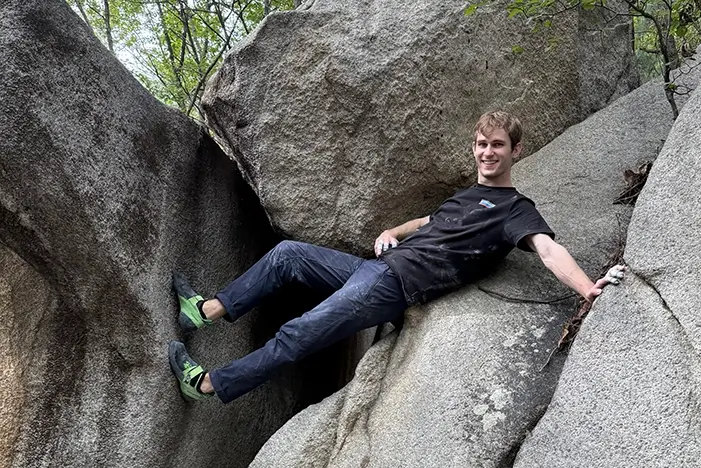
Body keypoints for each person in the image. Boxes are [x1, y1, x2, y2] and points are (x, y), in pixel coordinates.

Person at [169, 111, 625, 403]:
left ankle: (207, 385)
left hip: (393, 286)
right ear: (474, 148)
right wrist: (392, 230)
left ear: (515, 151)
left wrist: (587, 288)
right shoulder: (466, 196)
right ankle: (205, 311)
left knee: (298, 333)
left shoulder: (514, 209)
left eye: (498, 145)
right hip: (374, 269)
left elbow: (547, 248)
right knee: (288, 254)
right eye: (482, 144)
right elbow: (428, 222)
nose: (488, 152)